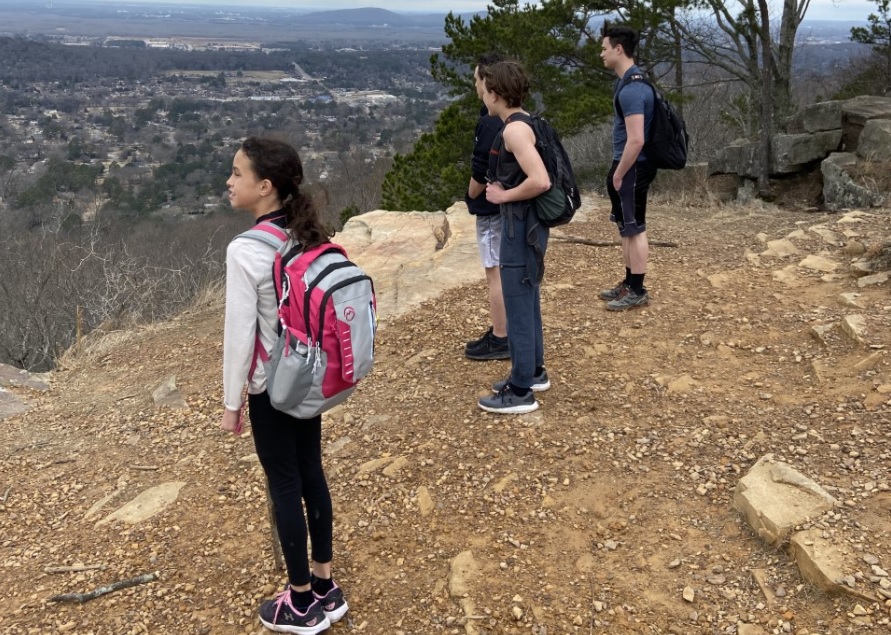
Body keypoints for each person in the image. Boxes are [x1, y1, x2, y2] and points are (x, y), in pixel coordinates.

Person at [220, 137, 348, 634]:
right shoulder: (304, 232)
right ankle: (324, 585)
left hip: (270, 387)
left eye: (237, 174)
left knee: (284, 483)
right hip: (308, 377)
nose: (229, 182)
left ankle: (299, 603)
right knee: (311, 472)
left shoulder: (245, 249)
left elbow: (240, 335)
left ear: (265, 186)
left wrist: (233, 403)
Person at [476, 60, 552, 415]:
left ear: (496, 93)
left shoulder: (513, 131)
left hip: (519, 225)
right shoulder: (527, 121)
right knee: (527, 296)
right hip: (530, 224)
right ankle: (533, 371)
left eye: (485, 87)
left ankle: (521, 390)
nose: (482, 93)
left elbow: (540, 180)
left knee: (519, 302)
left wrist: (502, 196)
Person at [600, 24, 657, 311]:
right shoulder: (628, 82)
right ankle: (628, 283)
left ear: (618, 49)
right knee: (626, 227)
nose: (602, 54)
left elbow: (636, 140)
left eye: (604, 48)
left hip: (634, 166)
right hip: (627, 164)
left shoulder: (632, 89)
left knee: (635, 229)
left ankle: (637, 288)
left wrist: (620, 173)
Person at [464, 53, 510, 361]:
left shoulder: (490, 122)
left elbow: (480, 172)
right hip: (509, 206)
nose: (475, 84)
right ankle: (508, 331)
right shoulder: (513, 115)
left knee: (495, 273)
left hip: (492, 210)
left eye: (477, 79)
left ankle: (501, 337)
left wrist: (471, 196)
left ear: (487, 82)